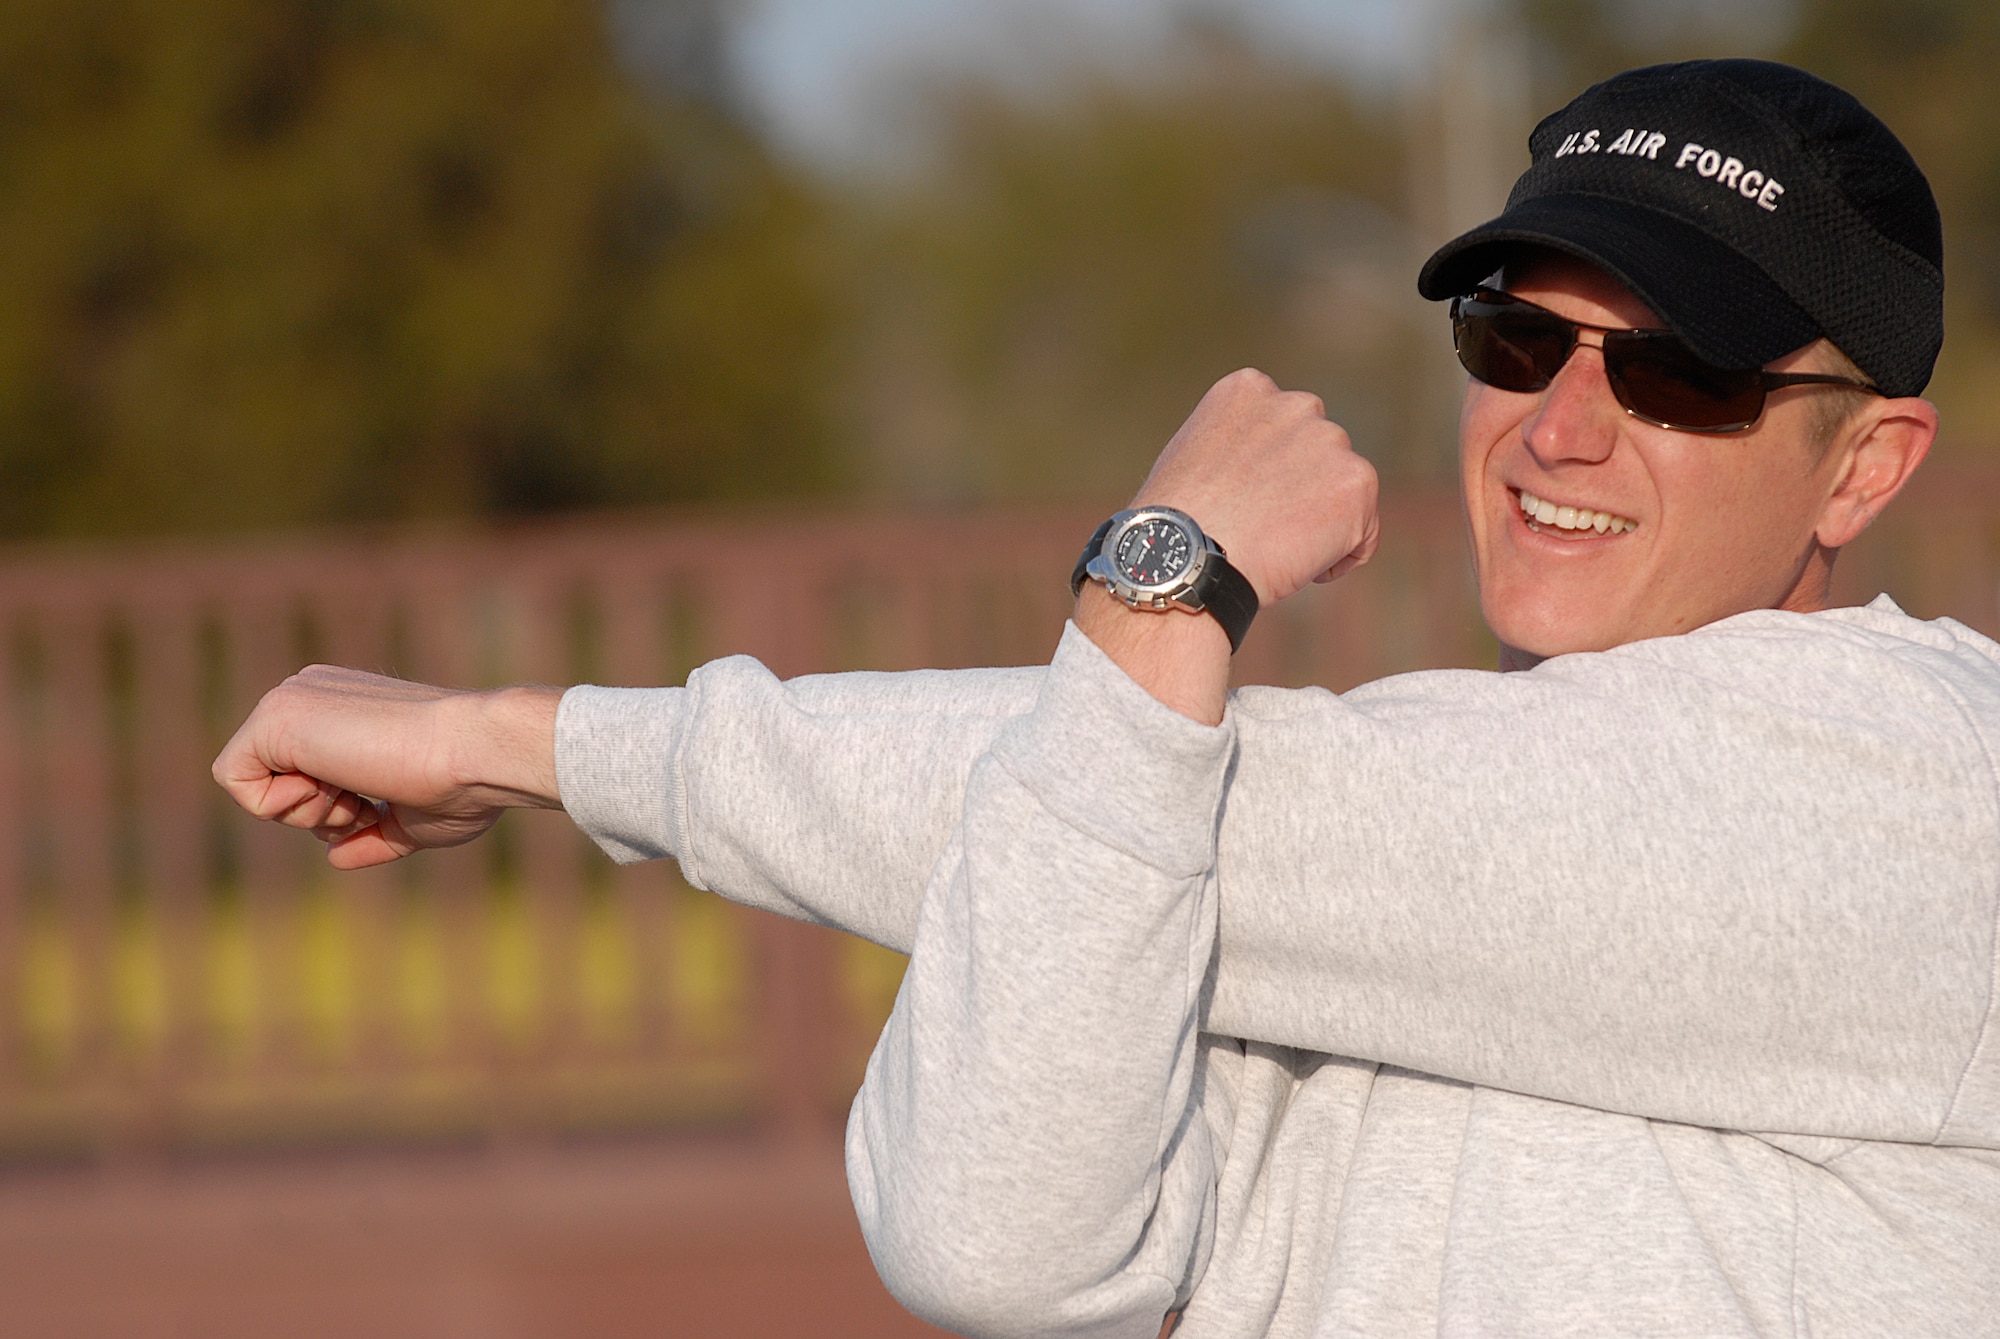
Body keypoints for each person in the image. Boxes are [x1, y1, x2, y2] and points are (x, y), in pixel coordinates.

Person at [215, 60, 2000, 1336]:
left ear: (1864, 471)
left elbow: (1249, 813)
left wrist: (526, 743)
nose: (1559, 427)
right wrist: (1138, 683)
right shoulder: (1245, 833)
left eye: (1677, 374)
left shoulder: (1925, 786)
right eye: (1515, 341)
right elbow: (990, 1250)